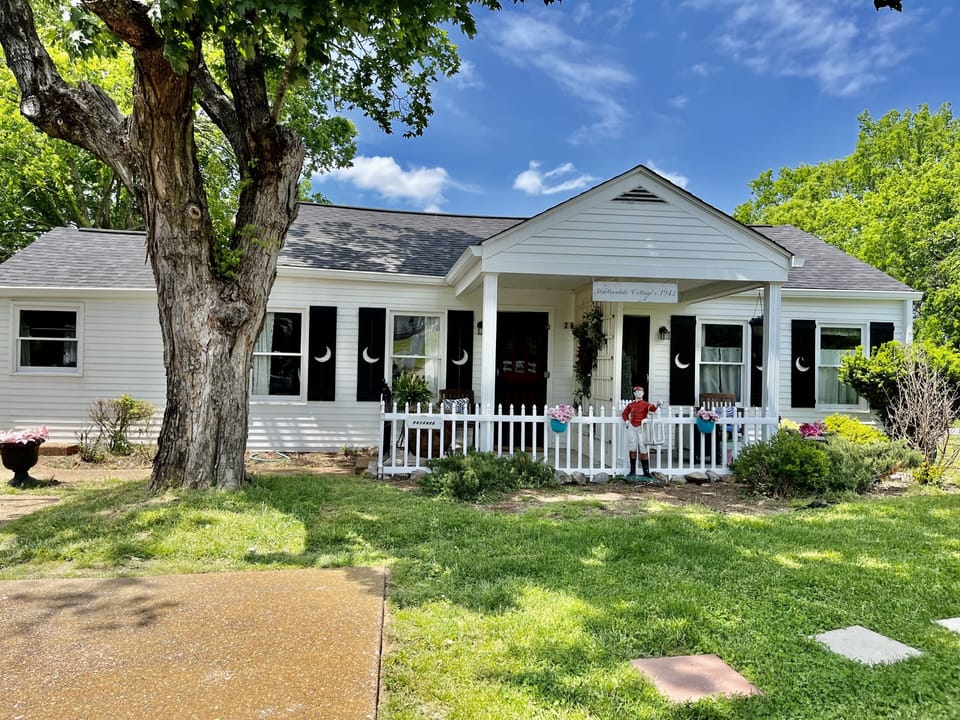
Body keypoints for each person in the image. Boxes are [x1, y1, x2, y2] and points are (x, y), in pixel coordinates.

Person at [621, 385, 659, 479]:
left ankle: (646, 471)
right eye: (637, 392)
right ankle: (632, 470)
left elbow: (651, 409)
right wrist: (626, 421)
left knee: (643, 448)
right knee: (632, 447)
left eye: (641, 392)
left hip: (641, 428)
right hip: (632, 427)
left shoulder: (645, 404)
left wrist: (657, 405)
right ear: (634, 393)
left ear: (643, 393)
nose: (639, 394)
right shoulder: (631, 405)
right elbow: (624, 413)